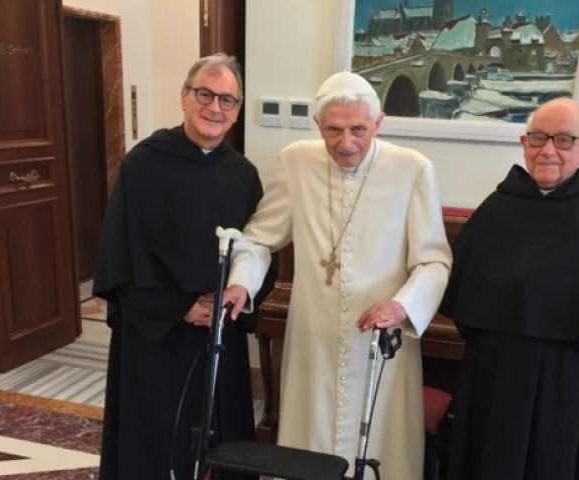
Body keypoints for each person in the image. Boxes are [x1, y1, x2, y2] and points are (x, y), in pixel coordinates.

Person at [221, 71, 452, 480]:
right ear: (317, 124)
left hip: (381, 344)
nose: (346, 143)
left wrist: (403, 305)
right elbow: (258, 239)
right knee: (308, 445)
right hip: (314, 339)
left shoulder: (412, 169)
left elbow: (434, 261)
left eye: (358, 129)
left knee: (382, 449)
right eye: (334, 130)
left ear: (378, 123)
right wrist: (242, 281)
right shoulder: (296, 161)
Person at [439, 98, 579, 480]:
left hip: (567, 373)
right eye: (539, 138)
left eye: (564, 139)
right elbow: (463, 290)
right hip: (497, 368)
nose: (548, 150)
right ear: (524, 144)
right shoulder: (497, 206)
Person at [93, 53, 277, 480]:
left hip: (218, 332)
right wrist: (180, 307)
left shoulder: (243, 174)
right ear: (184, 97)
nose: (215, 107)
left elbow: (259, 248)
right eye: (205, 94)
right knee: (156, 444)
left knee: (220, 441)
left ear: (237, 110)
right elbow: (121, 253)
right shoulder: (143, 164)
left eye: (227, 100)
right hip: (155, 333)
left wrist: (234, 297)